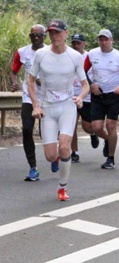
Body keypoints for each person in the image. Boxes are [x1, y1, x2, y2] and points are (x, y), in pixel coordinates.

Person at [28, 20, 89, 201]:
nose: (54, 36)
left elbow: (85, 85)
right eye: (51, 33)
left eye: (58, 32)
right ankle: (58, 159)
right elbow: (30, 81)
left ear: (66, 33)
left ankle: (62, 187)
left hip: (67, 106)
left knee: (64, 146)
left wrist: (81, 97)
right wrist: (36, 105)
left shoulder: (75, 57)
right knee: (50, 156)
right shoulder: (41, 54)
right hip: (47, 107)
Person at [84, 29, 119, 169]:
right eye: (101, 39)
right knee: (96, 127)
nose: (103, 42)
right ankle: (107, 140)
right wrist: (91, 84)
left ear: (111, 40)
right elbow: (82, 71)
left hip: (113, 95)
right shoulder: (92, 54)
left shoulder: (118, 56)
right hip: (97, 94)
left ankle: (110, 158)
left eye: (106, 39)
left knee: (111, 125)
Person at [11, 24, 47, 181]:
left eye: (39, 35)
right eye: (33, 35)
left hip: (47, 98)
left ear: (44, 36)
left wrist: (44, 81)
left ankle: (55, 158)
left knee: (45, 133)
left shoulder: (51, 52)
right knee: (27, 130)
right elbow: (14, 71)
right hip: (28, 97)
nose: (36, 37)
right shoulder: (22, 52)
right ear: (29, 36)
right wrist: (14, 83)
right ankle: (33, 167)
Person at [70, 33, 98, 162]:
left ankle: (93, 134)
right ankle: (74, 152)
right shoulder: (67, 56)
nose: (76, 45)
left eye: (78, 43)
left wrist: (93, 85)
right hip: (71, 97)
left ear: (84, 44)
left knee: (88, 127)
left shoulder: (89, 57)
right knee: (71, 126)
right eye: (73, 43)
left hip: (86, 97)